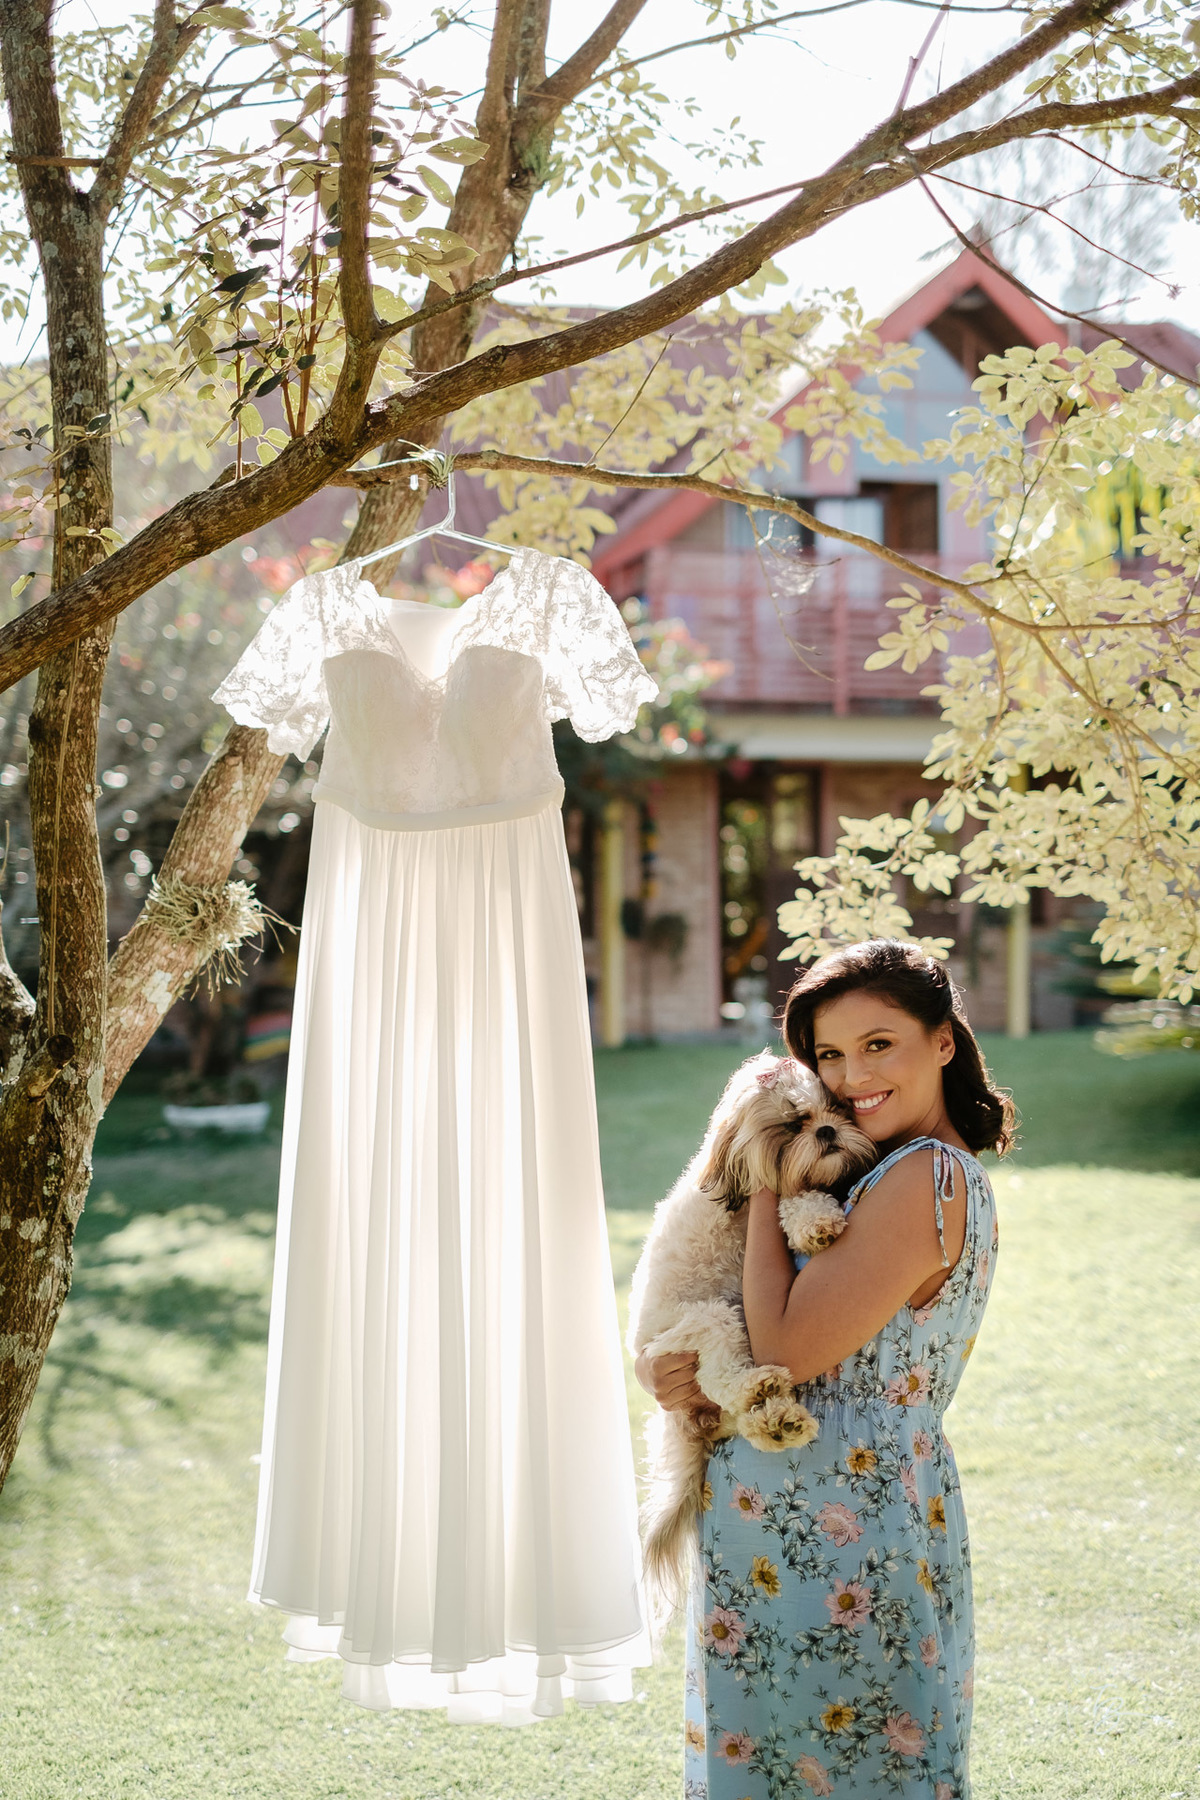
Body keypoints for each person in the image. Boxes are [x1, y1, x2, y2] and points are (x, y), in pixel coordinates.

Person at [635, 939, 1012, 1799]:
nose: (850, 1076)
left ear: (943, 1042)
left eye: (879, 1044)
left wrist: (764, 1164)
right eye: (830, 1055)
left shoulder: (925, 1177)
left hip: (839, 1521)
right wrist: (677, 1375)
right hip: (795, 1513)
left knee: (849, 1765)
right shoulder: (877, 1176)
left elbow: (784, 1351)